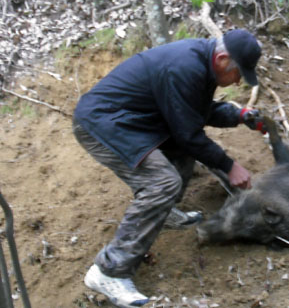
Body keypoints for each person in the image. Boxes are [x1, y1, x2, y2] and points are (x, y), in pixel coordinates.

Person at [72, 29, 264, 307]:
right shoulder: (185, 67)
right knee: (161, 182)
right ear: (223, 59)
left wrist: (239, 115)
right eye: (239, 73)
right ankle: (109, 270)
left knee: (181, 149)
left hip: (132, 121)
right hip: (104, 123)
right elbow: (189, 132)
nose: (237, 80)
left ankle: (165, 211)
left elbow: (196, 111)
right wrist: (229, 166)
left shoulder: (201, 63)